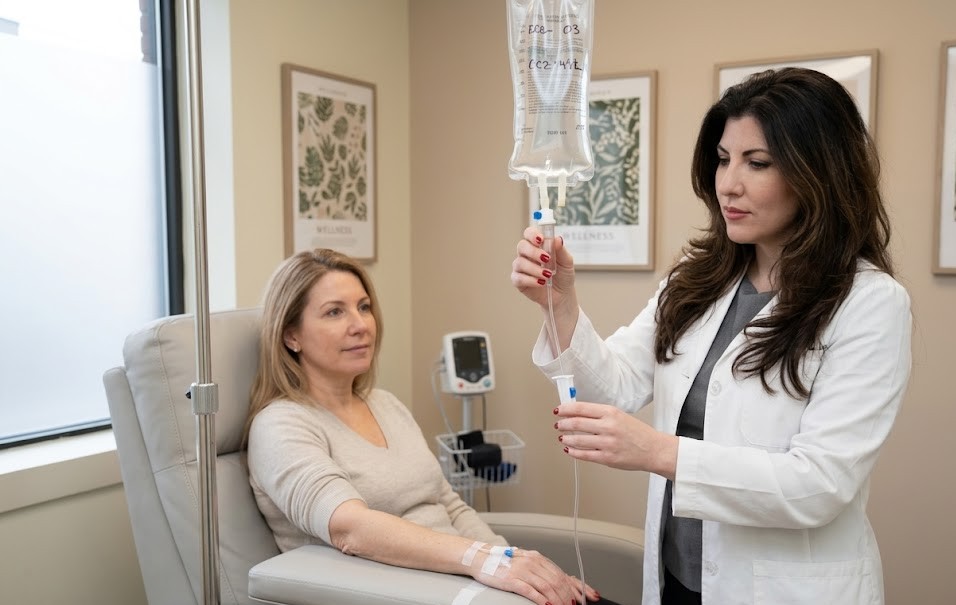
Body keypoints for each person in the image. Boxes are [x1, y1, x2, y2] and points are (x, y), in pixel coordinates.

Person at [510, 67, 912, 605]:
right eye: (723, 159)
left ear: (819, 173)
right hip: (678, 580)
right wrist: (559, 304)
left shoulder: (869, 303)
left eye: (757, 163)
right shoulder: (697, 278)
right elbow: (615, 385)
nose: (729, 184)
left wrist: (660, 452)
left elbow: (819, 485)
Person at [244, 248, 609, 605]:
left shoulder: (385, 404)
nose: (361, 325)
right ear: (291, 336)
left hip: (463, 584)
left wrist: (517, 568)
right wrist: (482, 561)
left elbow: (450, 506)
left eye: (364, 307)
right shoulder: (280, 425)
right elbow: (349, 529)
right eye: (334, 312)